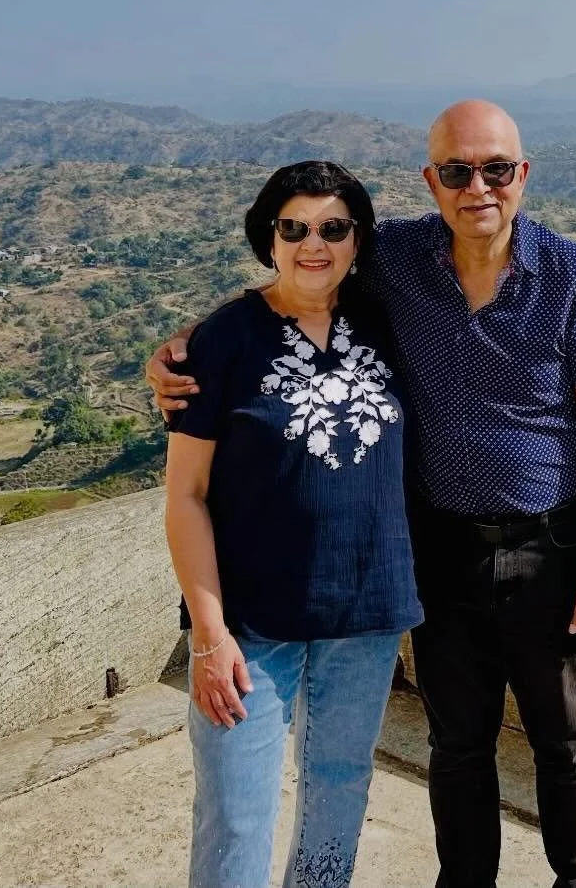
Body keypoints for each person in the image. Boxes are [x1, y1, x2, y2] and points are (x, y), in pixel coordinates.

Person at [150, 101, 576, 888]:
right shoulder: (401, 261)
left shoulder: (572, 276)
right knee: (456, 744)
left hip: (543, 548)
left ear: (523, 175)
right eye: (457, 171)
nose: (478, 186)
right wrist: (178, 345)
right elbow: (291, 284)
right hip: (433, 551)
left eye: (496, 169)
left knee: (564, 740)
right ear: (431, 181)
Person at [163, 160, 422, 888]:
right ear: (268, 238)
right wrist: (209, 635)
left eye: (333, 228)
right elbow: (185, 494)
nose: (315, 243)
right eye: (295, 228)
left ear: (357, 239)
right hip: (249, 620)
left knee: (338, 792)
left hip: (366, 609)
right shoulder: (224, 341)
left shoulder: (388, 321)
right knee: (235, 811)